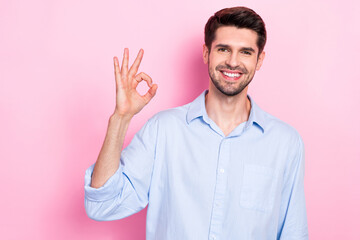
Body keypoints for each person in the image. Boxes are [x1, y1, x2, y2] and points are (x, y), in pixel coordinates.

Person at [84, 6, 308, 240]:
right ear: (206, 53)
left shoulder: (285, 143)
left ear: (259, 59)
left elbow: (294, 233)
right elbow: (102, 205)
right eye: (223, 49)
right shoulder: (164, 130)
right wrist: (121, 118)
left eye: (245, 52)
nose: (233, 62)